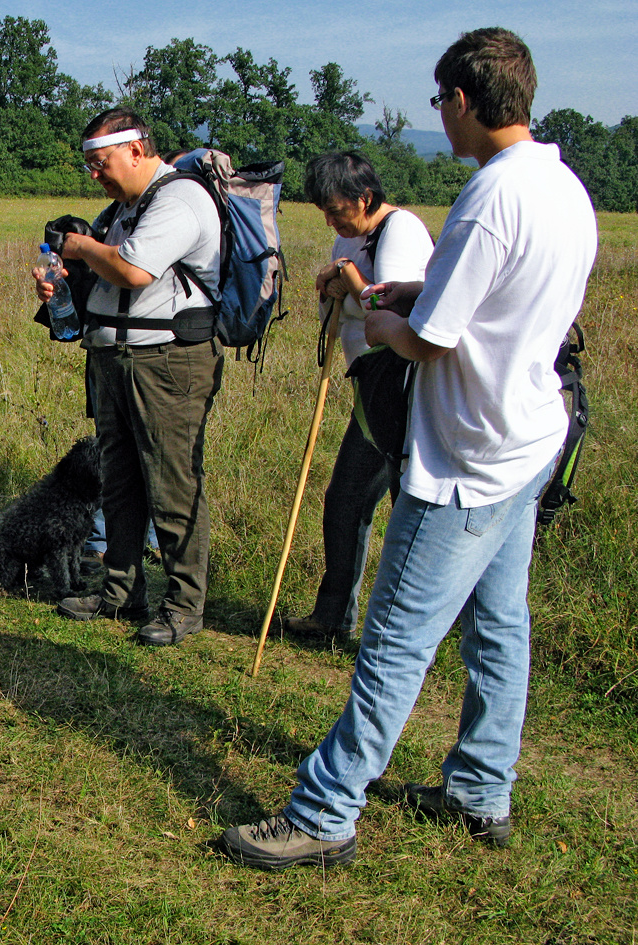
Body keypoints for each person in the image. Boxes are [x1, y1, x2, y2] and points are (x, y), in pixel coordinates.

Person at [219, 27, 597, 870]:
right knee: (500, 621)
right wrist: (410, 289)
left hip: (468, 457)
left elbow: (432, 335)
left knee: (394, 636)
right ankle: (479, 786)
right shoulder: (562, 185)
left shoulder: (492, 195)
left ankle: (325, 810)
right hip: (530, 434)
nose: (441, 117)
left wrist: (383, 317)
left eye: (440, 103)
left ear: (462, 101)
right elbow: (497, 294)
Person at [37, 107, 224, 646]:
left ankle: (185, 605)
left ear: (137, 149)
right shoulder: (122, 208)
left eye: (102, 162)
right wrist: (60, 287)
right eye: (90, 165)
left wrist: (77, 247)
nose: (94, 174)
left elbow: (132, 269)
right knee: (119, 481)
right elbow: (106, 276)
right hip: (114, 359)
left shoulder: (181, 198)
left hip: (167, 363)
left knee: (172, 484)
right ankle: (122, 590)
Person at [283, 153, 434, 639]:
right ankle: (332, 618)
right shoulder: (352, 236)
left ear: (364, 198)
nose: (330, 220)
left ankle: (399, 633)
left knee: (398, 500)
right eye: (324, 211)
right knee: (346, 498)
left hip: (398, 387)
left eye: (336, 210)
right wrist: (328, 287)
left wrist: (346, 280)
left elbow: (388, 302)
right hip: (369, 385)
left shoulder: (400, 230)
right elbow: (349, 298)